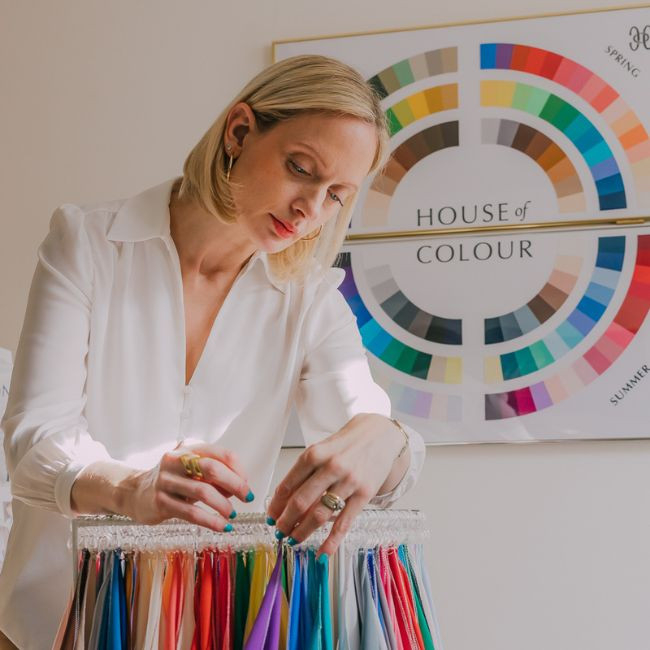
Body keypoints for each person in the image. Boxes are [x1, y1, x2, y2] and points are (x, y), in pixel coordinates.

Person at [0, 54, 425, 648]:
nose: (310, 209)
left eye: (336, 195)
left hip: (212, 629)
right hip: (54, 626)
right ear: (239, 131)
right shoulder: (88, 244)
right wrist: (129, 489)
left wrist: (388, 439)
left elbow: (368, 445)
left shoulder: (308, 300)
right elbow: (32, 442)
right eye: (301, 168)